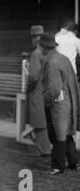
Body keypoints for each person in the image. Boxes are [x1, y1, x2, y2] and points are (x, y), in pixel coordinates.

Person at [39, 33, 80, 175]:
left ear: (44, 47)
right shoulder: (63, 58)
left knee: (57, 134)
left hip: (57, 104)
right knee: (66, 132)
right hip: (69, 100)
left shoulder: (51, 62)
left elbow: (54, 88)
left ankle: (58, 166)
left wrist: (46, 101)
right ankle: (73, 162)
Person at [26, 25, 51, 156]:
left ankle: (44, 149)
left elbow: (33, 76)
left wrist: (28, 86)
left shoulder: (36, 53)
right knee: (43, 121)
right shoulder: (47, 52)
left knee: (38, 122)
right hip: (46, 90)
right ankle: (46, 148)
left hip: (37, 91)